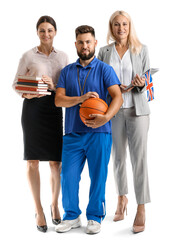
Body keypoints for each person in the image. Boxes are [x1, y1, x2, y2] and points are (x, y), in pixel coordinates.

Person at [54, 25, 123, 234]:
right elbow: (58, 100)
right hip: (72, 133)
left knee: (98, 177)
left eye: (88, 42)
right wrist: (81, 99)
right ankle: (72, 216)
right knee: (68, 176)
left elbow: (118, 97)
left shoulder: (104, 69)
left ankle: (94, 217)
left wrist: (106, 118)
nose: (85, 46)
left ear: (95, 43)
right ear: (76, 44)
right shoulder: (66, 71)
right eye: (81, 42)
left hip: (99, 134)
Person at [12, 16, 69, 232]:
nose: (46, 34)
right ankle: (39, 209)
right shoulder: (28, 55)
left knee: (56, 162)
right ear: (37, 32)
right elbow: (16, 83)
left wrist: (53, 85)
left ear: (55, 32)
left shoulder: (63, 57)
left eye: (50, 30)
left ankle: (54, 204)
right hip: (33, 110)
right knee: (32, 161)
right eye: (42, 30)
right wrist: (25, 93)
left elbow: (67, 87)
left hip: (53, 109)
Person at [98, 10, 151, 233]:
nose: (121, 28)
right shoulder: (103, 51)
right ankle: (121, 198)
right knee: (118, 157)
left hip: (138, 111)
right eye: (117, 25)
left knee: (139, 160)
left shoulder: (142, 49)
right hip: (114, 111)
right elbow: (98, 80)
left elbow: (149, 82)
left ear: (130, 27)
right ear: (112, 28)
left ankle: (141, 207)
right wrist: (112, 88)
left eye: (125, 24)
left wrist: (141, 82)